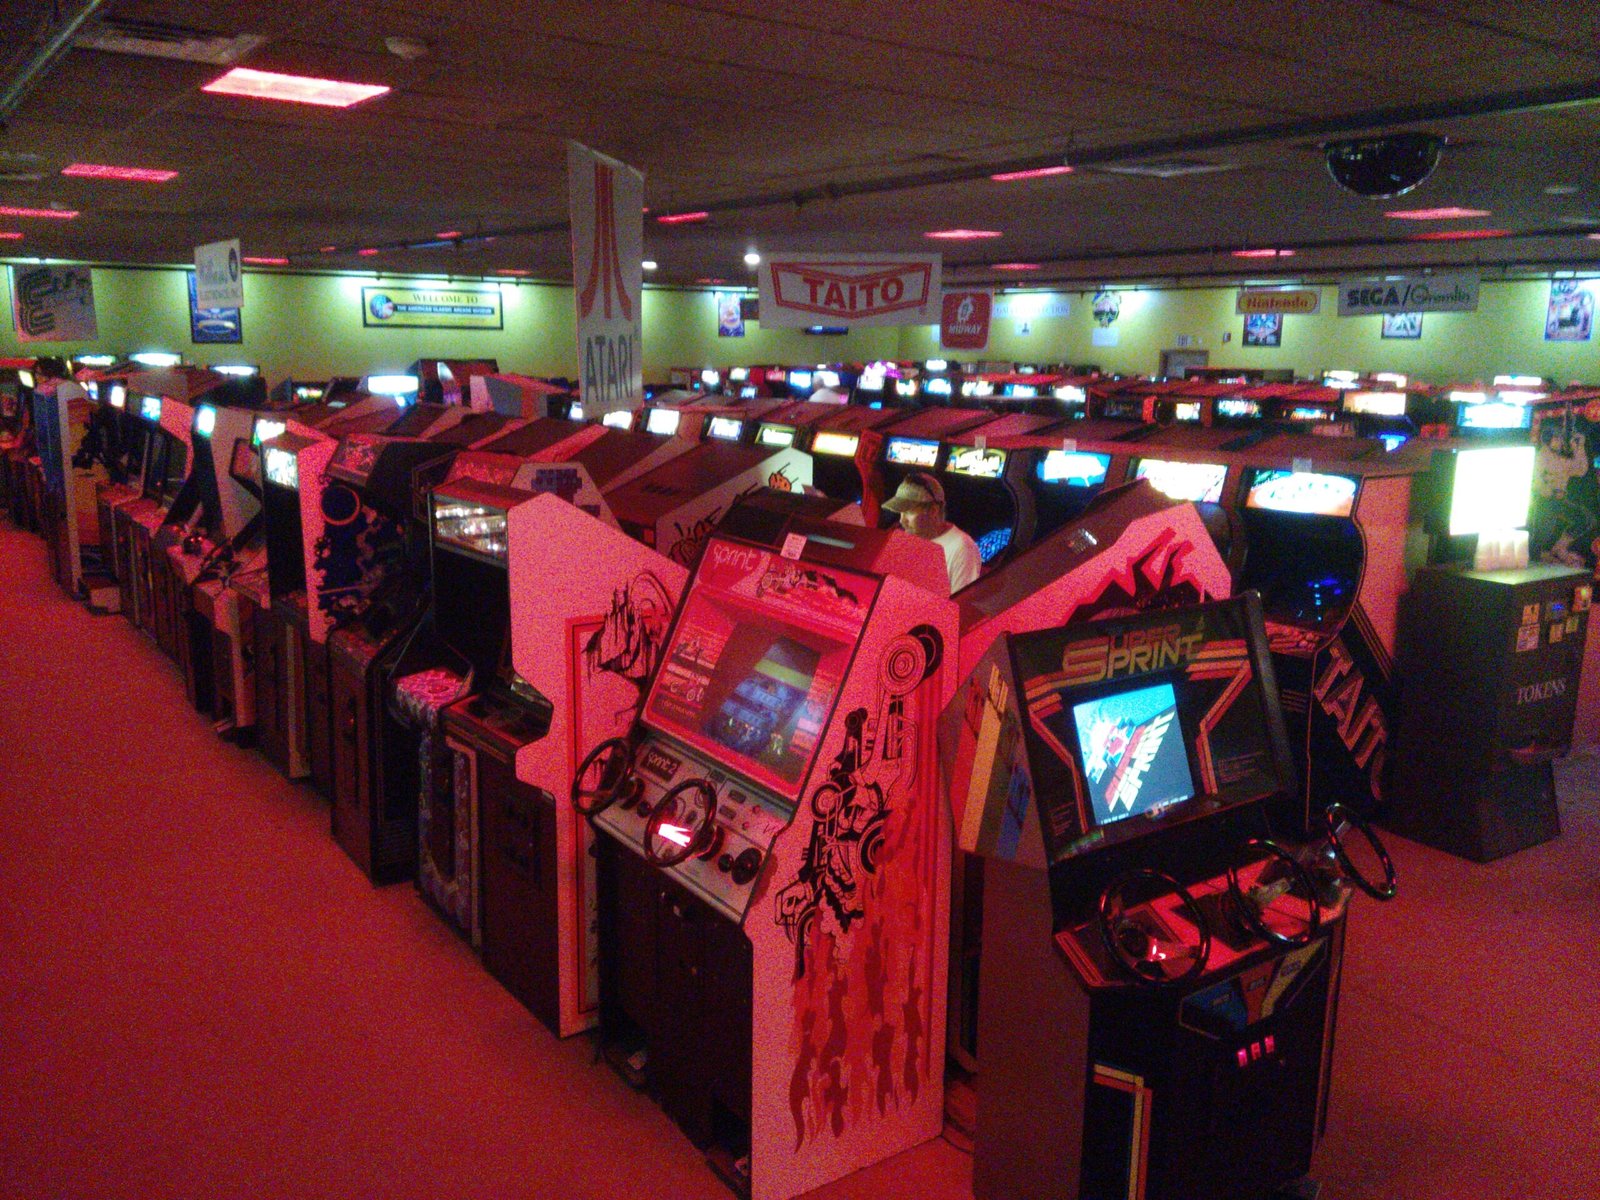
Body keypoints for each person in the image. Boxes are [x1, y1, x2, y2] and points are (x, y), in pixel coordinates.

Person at [881, 471, 981, 595]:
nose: (902, 520)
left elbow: (962, 607)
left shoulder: (962, 548)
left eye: (909, 512)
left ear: (933, 510)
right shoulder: (905, 538)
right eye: (901, 512)